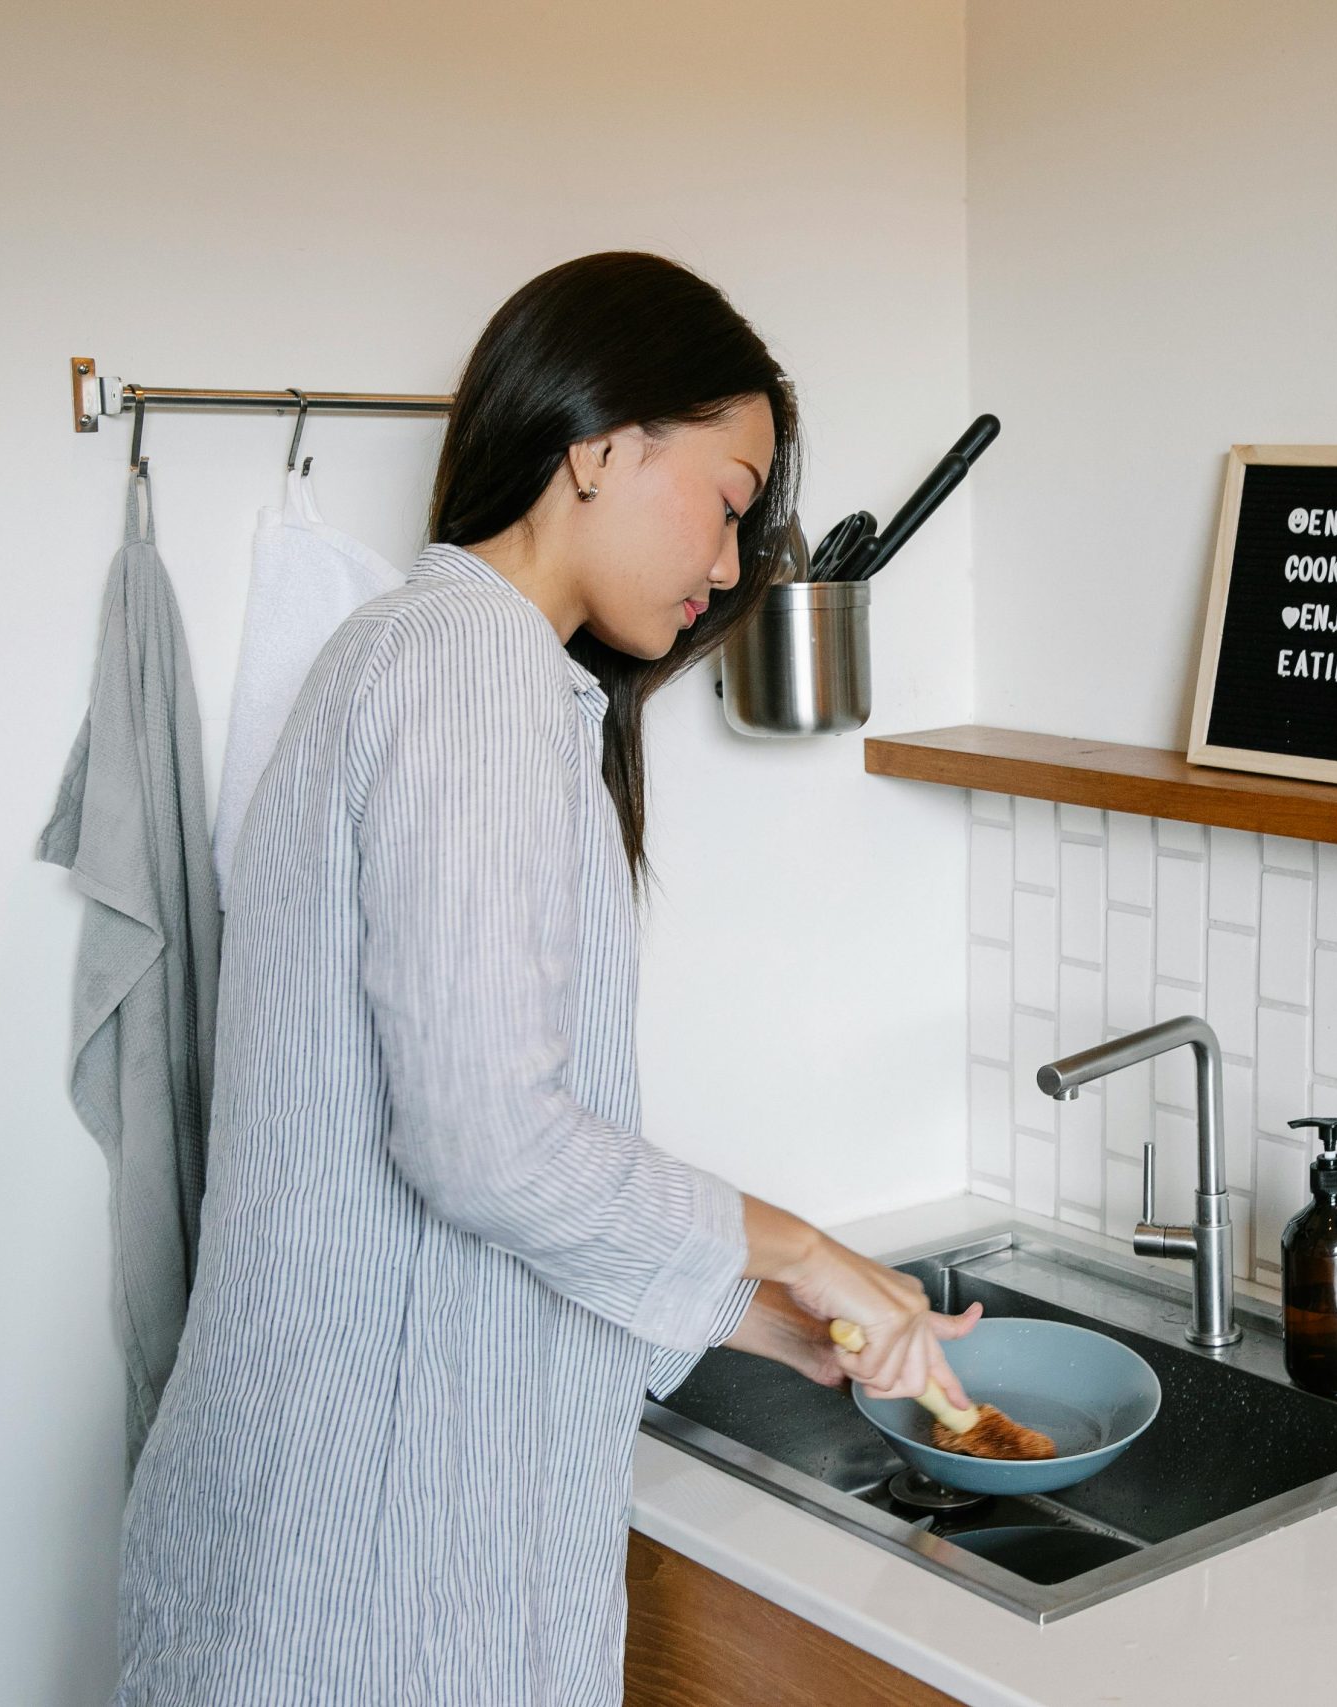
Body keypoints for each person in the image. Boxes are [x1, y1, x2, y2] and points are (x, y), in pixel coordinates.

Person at [112, 252, 976, 1705]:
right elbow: (486, 1140)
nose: (732, 566)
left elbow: (490, 1179)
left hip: (341, 1517)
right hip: (375, 1556)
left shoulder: (438, 654)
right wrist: (809, 1253)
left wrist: (772, 1325)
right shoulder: (470, 674)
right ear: (599, 445)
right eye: (731, 496)